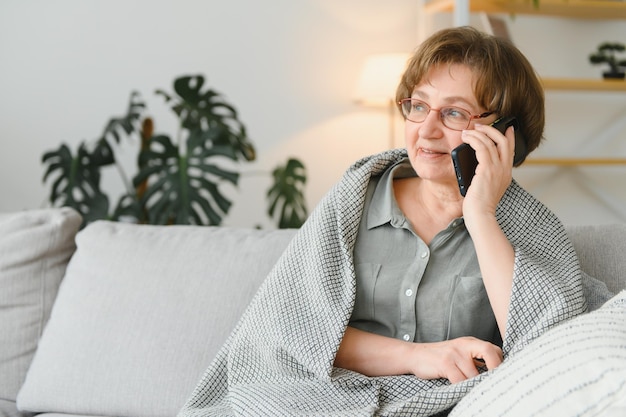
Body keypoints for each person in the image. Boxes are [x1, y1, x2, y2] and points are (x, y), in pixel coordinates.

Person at [178, 26, 588, 417]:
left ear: (504, 133)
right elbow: (291, 330)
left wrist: (480, 216)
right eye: (419, 105)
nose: (426, 130)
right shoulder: (356, 197)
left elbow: (547, 348)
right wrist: (422, 356)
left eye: (454, 114)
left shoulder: (529, 227)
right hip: (319, 397)